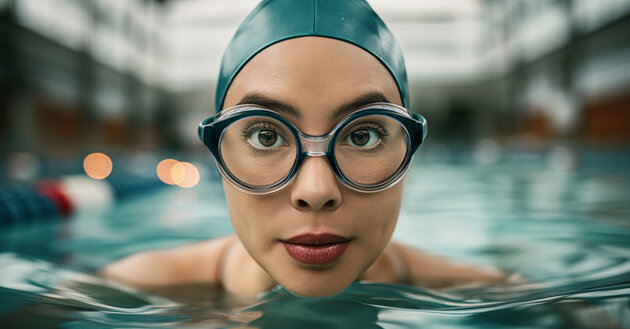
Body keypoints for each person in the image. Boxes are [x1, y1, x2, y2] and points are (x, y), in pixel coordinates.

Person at [101, 0, 503, 298]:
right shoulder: (128, 290)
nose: (316, 191)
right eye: (266, 135)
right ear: (216, 151)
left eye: (362, 135)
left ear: (410, 147)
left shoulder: (486, 293)